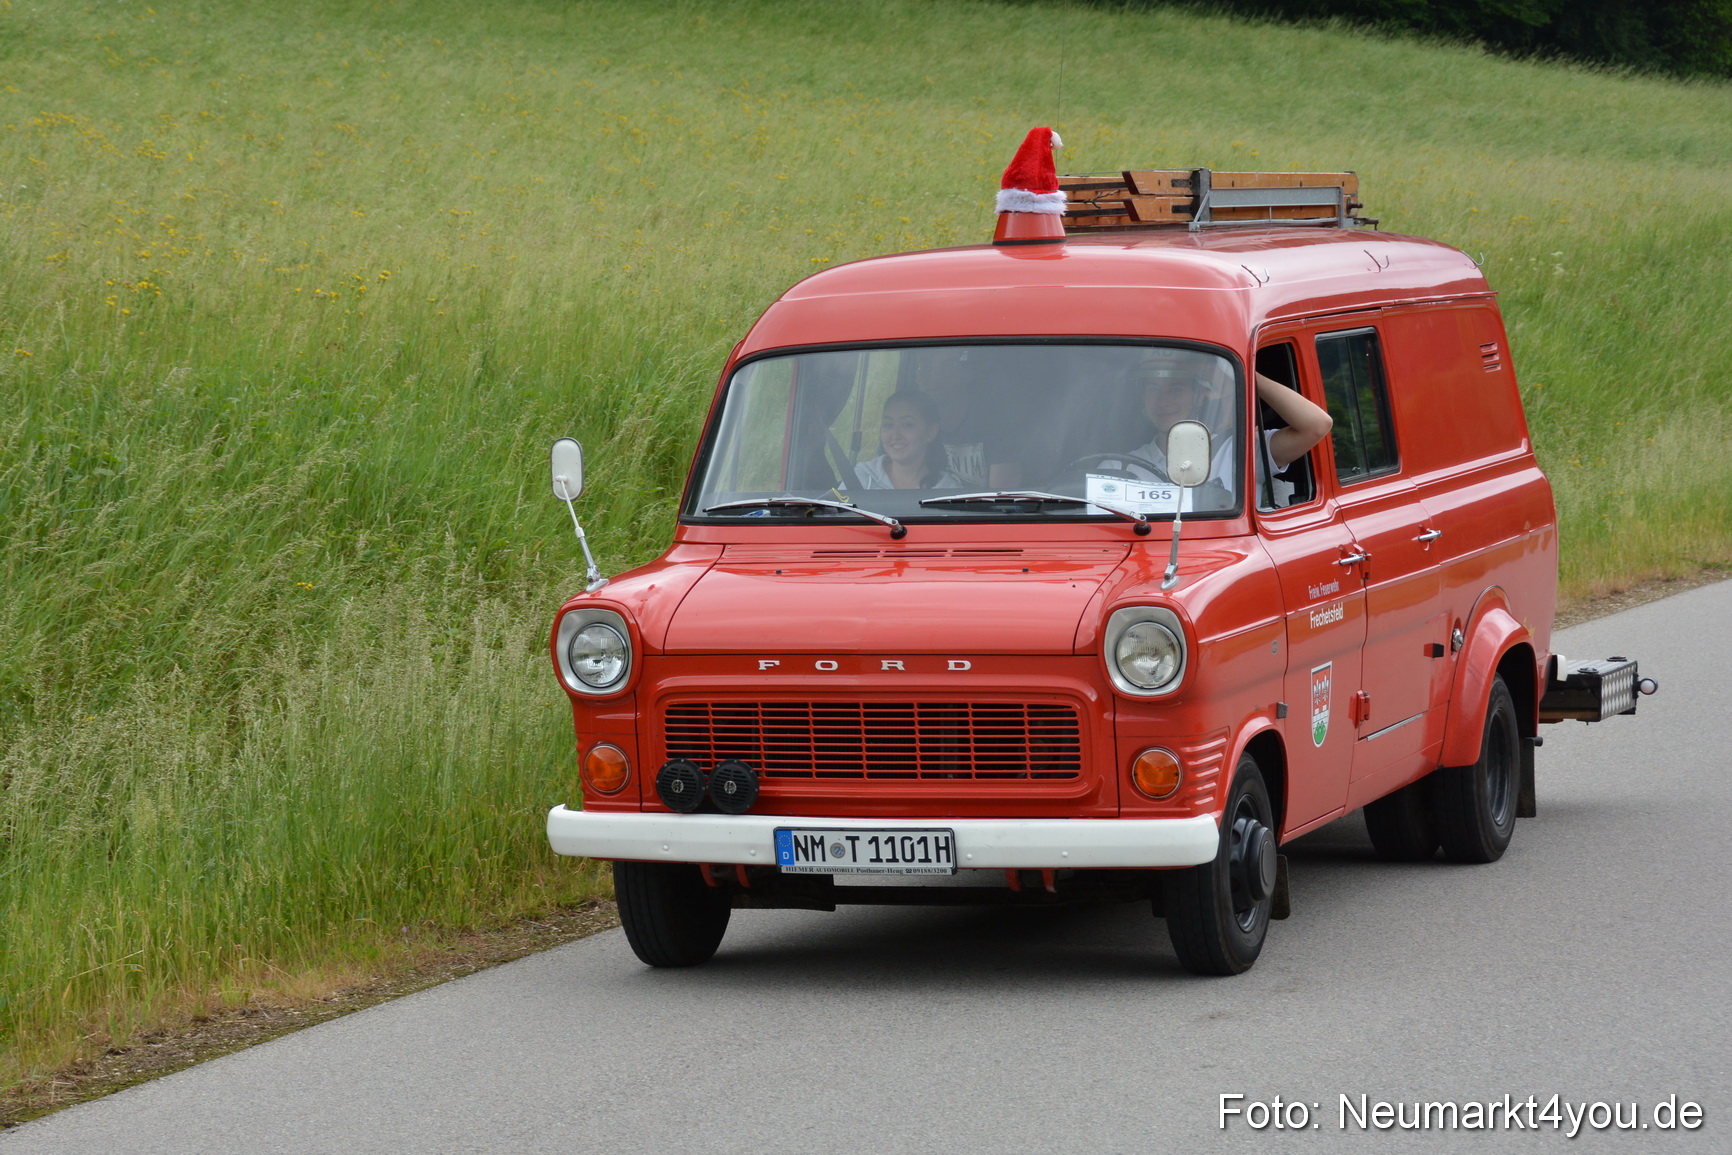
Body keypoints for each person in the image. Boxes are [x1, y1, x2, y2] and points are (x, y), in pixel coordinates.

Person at [1109, 350, 1332, 487]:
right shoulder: (1118, 465)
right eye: (1153, 389)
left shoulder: (1237, 451)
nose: (1163, 401)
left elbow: (1317, 425)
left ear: (1199, 395)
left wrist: (1241, 371)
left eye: (1176, 389)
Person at [854, 391, 963, 490]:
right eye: (888, 425)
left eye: (907, 425)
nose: (895, 435)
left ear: (931, 431)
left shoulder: (949, 492)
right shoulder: (860, 479)